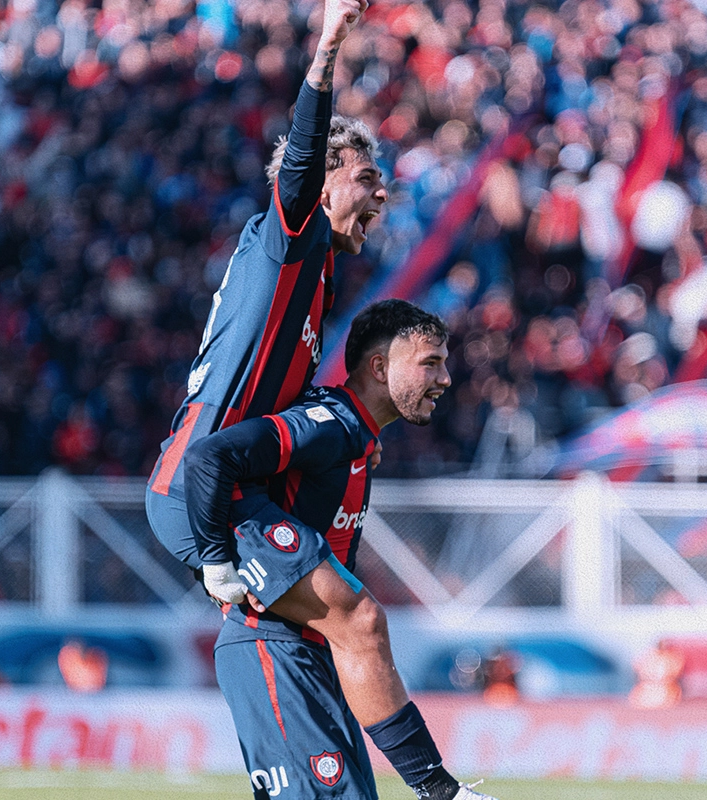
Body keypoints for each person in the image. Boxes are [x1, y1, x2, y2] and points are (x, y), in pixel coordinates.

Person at [185, 300, 495, 799]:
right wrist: (215, 561)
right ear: (379, 367)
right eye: (430, 362)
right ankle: (440, 791)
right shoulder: (330, 423)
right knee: (365, 619)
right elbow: (209, 457)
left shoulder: (357, 439)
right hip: (272, 649)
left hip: (311, 657)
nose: (445, 379)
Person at [146, 0, 387, 568]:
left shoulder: (314, 274)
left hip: (228, 487)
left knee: (320, 632)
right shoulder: (293, 237)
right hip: (198, 487)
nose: (382, 194)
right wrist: (328, 45)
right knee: (356, 620)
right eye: (366, 179)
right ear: (321, 189)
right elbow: (303, 150)